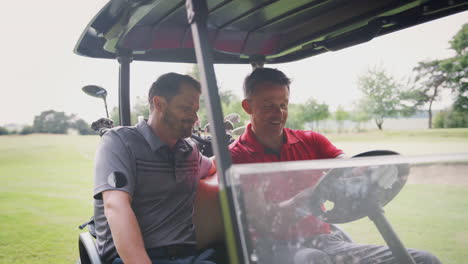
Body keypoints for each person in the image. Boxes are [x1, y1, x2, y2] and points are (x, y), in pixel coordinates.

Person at [229, 67, 441, 264]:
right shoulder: (236, 156)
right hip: (270, 247)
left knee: (425, 260)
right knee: (313, 259)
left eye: (283, 105)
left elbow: (347, 167)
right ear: (248, 106)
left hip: (323, 240)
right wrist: (304, 200)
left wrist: (367, 172)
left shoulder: (311, 141)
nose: (278, 113)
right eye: (268, 106)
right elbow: (262, 222)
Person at [93, 72, 217, 264]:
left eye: (195, 109)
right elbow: (115, 206)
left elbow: (214, 165)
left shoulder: (189, 151)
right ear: (159, 104)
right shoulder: (120, 142)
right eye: (186, 108)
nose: (194, 117)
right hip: (133, 257)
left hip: (188, 256)